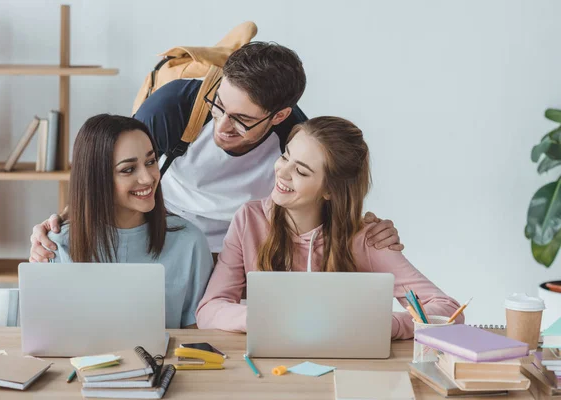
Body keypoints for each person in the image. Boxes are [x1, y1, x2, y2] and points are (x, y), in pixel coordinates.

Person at [29, 42, 403, 262]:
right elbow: (113, 168)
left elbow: (327, 190)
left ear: (280, 116)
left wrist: (368, 229)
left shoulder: (296, 135)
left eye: (241, 119)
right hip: (169, 236)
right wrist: (60, 223)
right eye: (219, 105)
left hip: (244, 248)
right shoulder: (173, 105)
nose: (222, 126)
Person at [196, 116, 463, 339]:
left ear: (329, 191)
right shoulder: (249, 220)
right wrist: (265, 317)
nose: (282, 172)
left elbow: (449, 312)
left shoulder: (366, 238)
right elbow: (209, 310)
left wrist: (380, 324)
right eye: (285, 156)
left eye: (301, 172)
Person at [46, 114, 213, 329]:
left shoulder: (190, 242)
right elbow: (47, 337)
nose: (148, 178)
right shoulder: (56, 245)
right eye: (128, 169)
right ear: (96, 178)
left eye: (151, 162)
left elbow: (198, 339)